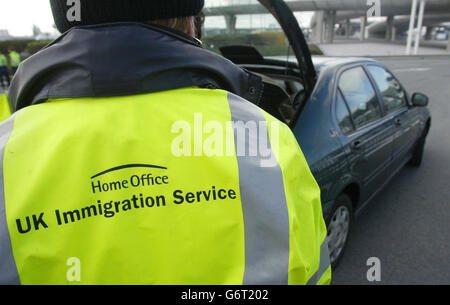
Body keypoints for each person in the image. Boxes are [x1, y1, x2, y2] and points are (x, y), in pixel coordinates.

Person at [0, 0, 330, 285]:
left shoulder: (6, 156)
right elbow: (312, 272)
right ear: (190, 26)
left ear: (65, 30)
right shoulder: (267, 140)